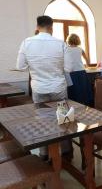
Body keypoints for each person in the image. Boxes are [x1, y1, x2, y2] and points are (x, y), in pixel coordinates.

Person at [16, 15, 72, 160]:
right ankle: (66, 151)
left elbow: (20, 66)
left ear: (37, 27)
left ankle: (44, 154)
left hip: (39, 89)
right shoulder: (60, 43)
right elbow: (69, 68)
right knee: (64, 119)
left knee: (42, 121)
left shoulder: (26, 42)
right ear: (51, 27)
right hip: (59, 89)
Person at [65, 33, 93, 106]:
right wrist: (87, 66)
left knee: (74, 92)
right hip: (81, 72)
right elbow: (86, 59)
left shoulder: (66, 49)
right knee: (83, 91)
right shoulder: (80, 49)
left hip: (72, 72)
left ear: (69, 40)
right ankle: (84, 107)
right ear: (78, 40)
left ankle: (74, 108)